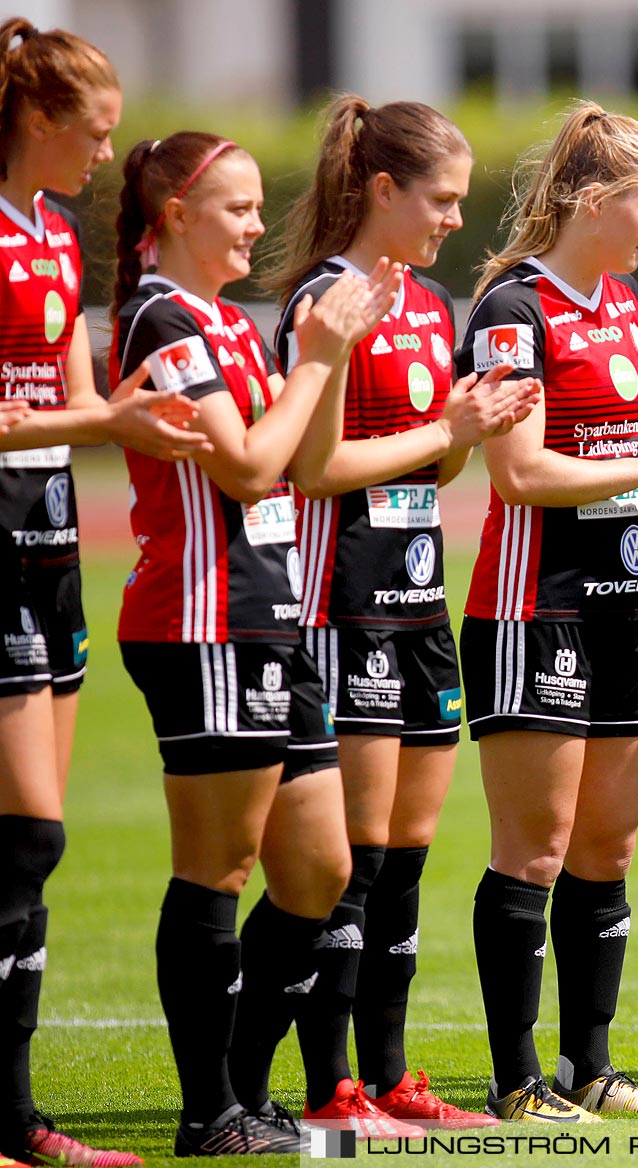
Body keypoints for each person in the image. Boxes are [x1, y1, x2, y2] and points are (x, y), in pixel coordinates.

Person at [111, 131, 398, 1154]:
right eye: (233, 207)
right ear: (175, 214)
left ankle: (239, 1088)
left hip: (271, 613)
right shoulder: (161, 318)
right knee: (218, 870)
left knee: (318, 870)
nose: (254, 223)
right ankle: (210, 1112)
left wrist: (324, 360)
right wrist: (320, 358)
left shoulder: (230, 324)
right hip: (201, 620)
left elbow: (294, 464)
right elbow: (245, 468)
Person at [459, 101, 638, 1123]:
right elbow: (522, 473)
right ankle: (515, 1082)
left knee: (607, 851)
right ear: (589, 198)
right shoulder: (510, 310)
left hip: (629, 602)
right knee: (532, 850)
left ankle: (591, 1068)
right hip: (537, 609)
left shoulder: (625, 306)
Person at [267, 95, 536, 1133]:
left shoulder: (428, 305)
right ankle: (331, 1090)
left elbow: (442, 461)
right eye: (442, 199)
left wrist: (466, 427)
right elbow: (315, 466)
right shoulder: (328, 302)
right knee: (359, 857)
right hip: (346, 606)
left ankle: (391, 1080)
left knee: (411, 853)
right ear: (382, 189)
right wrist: (447, 422)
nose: (456, 220)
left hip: (419, 605)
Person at [0, 20, 210, 1168]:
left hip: (49, 546)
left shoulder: (53, 237)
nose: (104, 153)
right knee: (21, 838)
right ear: (36, 117)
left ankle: (20, 1118)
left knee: (38, 841)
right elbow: (61, 414)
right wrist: (108, 418)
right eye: (94, 131)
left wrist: (155, 422)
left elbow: (80, 404)